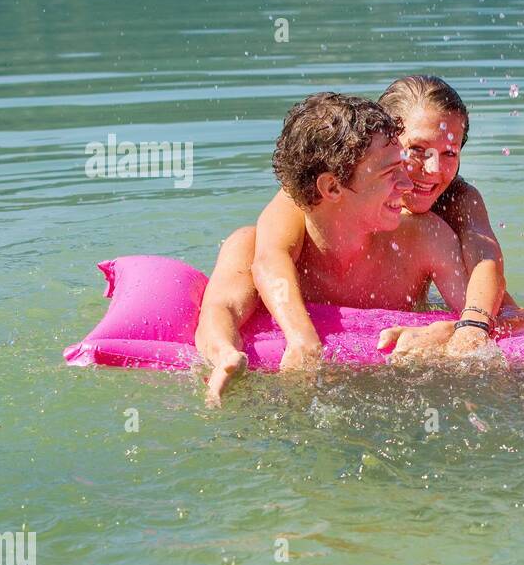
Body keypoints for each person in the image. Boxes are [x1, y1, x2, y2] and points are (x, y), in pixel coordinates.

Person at [194, 92, 469, 405]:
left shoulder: (424, 239)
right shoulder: (249, 247)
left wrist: (447, 331)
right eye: (389, 172)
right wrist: (225, 354)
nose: (407, 185)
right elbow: (219, 311)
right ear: (333, 187)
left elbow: (490, 318)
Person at [252, 76, 511, 363]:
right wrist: (301, 337)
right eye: (417, 150)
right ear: (383, 137)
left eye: (449, 152)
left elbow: (486, 262)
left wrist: (466, 327)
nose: (434, 170)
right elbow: (270, 255)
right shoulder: (313, 196)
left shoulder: (457, 199)